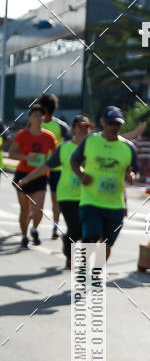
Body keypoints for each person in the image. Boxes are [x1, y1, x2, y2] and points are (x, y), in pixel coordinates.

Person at [19, 114, 92, 268]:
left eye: (86, 127)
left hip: (90, 196)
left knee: (91, 229)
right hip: (67, 195)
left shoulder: (95, 147)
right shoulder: (64, 148)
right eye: (79, 127)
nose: (82, 130)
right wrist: (27, 179)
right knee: (75, 227)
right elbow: (46, 166)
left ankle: (87, 262)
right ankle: (69, 250)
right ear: (73, 129)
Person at [70, 106, 139, 261]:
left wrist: (132, 175)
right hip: (91, 201)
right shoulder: (90, 140)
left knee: (106, 245)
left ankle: (96, 274)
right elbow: (74, 161)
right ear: (103, 122)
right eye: (111, 123)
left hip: (115, 205)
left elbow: (135, 171)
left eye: (118, 124)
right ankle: (82, 272)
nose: (114, 127)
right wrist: (82, 175)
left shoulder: (128, 147)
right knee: (91, 239)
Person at [9, 104, 57, 248]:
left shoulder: (49, 137)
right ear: (29, 118)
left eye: (41, 115)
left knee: (38, 208)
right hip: (23, 175)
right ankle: (24, 236)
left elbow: (55, 156)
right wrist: (26, 157)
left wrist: (51, 163)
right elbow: (12, 153)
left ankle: (34, 228)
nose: (38, 117)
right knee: (25, 211)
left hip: (41, 175)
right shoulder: (22, 135)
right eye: (35, 115)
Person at [38, 93, 72, 239]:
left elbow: (71, 143)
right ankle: (35, 221)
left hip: (55, 168)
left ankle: (55, 226)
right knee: (38, 196)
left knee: (54, 199)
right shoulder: (35, 123)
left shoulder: (61, 126)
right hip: (38, 168)